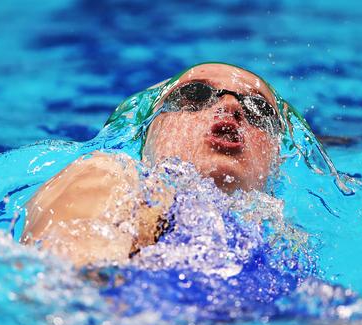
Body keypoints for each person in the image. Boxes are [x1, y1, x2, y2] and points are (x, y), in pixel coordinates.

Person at [20, 63, 283, 266]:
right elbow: (65, 291)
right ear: (151, 134)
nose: (230, 106)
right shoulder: (108, 176)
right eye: (195, 94)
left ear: (276, 160)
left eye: (258, 108)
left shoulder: (286, 241)